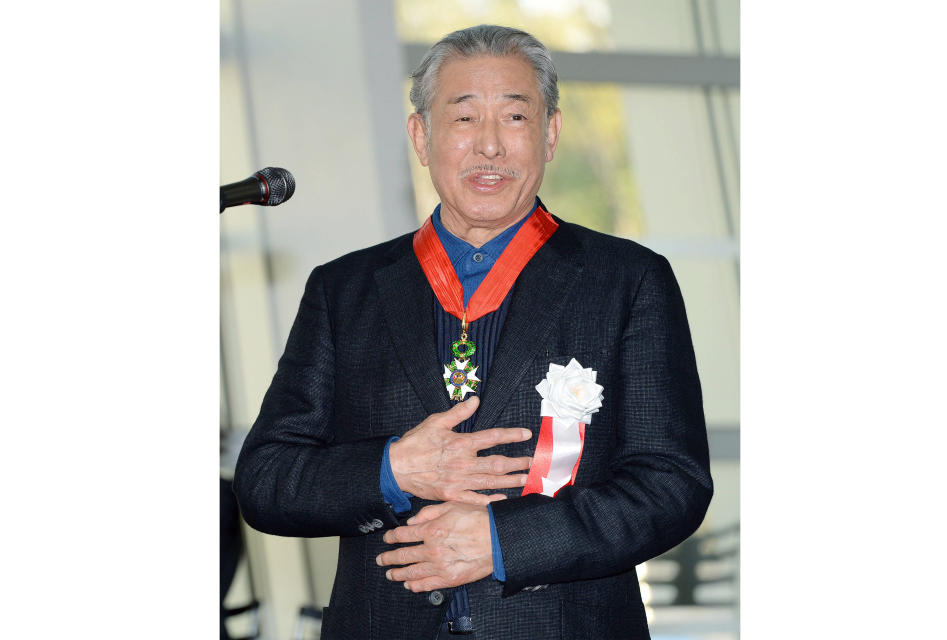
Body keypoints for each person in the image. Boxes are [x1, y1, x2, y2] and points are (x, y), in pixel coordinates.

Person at [233, 24, 712, 640]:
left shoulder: (627, 281)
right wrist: (393, 470)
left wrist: (503, 540)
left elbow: (671, 484)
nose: (490, 146)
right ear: (421, 136)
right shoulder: (344, 291)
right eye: (463, 119)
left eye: (515, 117)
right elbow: (267, 481)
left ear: (551, 133)